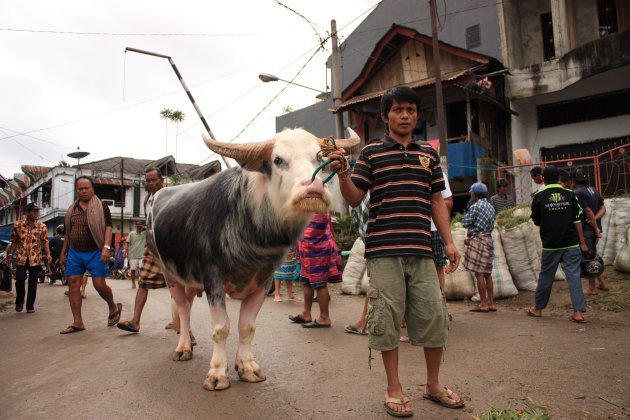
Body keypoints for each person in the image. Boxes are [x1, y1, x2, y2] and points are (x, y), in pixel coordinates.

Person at [328, 86, 464, 416]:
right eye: (398, 110)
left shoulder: (428, 155)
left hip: (421, 250)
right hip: (384, 251)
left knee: (434, 316)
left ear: (417, 116)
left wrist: (448, 241)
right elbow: (354, 198)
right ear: (385, 116)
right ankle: (394, 388)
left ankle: (432, 384)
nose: (405, 115)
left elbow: (436, 200)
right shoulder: (371, 154)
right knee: (387, 319)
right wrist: (344, 171)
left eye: (411, 110)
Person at [118, 167, 191, 335]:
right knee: (143, 282)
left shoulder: (172, 195)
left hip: (172, 246)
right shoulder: (147, 200)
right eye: (148, 180)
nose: (150, 183)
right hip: (153, 246)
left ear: (161, 180)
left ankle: (181, 323)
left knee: (177, 286)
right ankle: (135, 322)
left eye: (153, 180)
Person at [525, 166, 589, 323]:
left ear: (544, 179)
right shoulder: (570, 194)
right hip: (571, 243)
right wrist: (582, 242)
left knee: (546, 276)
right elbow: (577, 220)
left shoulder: (539, 196)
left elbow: (536, 220)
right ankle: (578, 312)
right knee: (574, 276)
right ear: (559, 178)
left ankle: (538, 309)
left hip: (551, 244)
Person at [59, 176, 122, 334]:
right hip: (75, 252)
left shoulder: (101, 206)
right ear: (76, 190)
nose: (84, 191)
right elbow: (68, 233)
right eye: (80, 188)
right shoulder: (71, 210)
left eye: (87, 187)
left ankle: (112, 305)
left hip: (96, 251)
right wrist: (63, 253)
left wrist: (106, 247)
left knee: (99, 284)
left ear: (92, 188)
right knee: (73, 284)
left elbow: (108, 227)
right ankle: (78, 322)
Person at [289, 211, 342, 328]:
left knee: (319, 283)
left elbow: (310, 231)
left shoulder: (317, 206)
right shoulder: (313, 203)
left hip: (316, 247)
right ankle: (306, 313)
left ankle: (324, 317)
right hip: (308, 247)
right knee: (306, 280)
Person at [6, 202, 51, 313]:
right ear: (27, 212)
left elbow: (45, 241)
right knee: (20, 279)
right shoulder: (18, 225)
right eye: (34, 211)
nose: (36, 213)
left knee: (33, 283)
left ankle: (30, 305)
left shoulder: (42, 226)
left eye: (37, 211)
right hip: (21, 258)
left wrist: (48, 254)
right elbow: (15, 241)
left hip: (35, 259)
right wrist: (10, 254)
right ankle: (19, 301)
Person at [571, 170, 609, 294]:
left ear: (573, 181)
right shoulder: (593, 190)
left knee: (588, 257)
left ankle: (592, 287)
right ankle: (602, 283)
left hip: (587, 230)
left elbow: (587, 210)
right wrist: (595, 220)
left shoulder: (578, 193)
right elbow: (603, 208)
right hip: (594, 227)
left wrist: (591, 221)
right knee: (593, 254)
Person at [462, 183, 497, 312]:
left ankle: (483, 304)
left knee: (479, 273)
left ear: (474, 194)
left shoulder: (475, 206)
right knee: (488, 273)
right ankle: (491, 303)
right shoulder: (490, 206)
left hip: (478, 240)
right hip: (488, 239)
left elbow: (465, 223)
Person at [124, 221, 146, 289]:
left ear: (142, 227)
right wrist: (125, 251)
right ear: (136, 227)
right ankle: (133, 283)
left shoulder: (144, 234)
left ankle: (141, 282)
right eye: (138, 226)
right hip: (132, 254)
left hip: (142, 255)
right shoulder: (131, 234)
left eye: (140, 226)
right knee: (133, 270)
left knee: (142, 269)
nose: (139, 228)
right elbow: (127, 243)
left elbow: (150, 228)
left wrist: (145, 226)